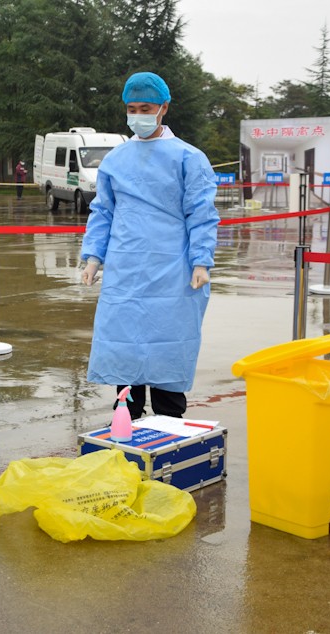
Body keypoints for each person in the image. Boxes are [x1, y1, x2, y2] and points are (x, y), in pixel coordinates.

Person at [80, 71, 219, 420]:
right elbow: (103, 211)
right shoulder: (116, 159)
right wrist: (94, 257)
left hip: (174, 269)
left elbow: (201, 213)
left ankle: (171, 432)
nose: (138, 115)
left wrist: (201, 261)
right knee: (124, 354)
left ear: (163, 108)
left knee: (167, 354)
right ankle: (125, 433)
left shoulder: (188, 157)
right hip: (126, 270)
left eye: (146, 107)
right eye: (132, 108)